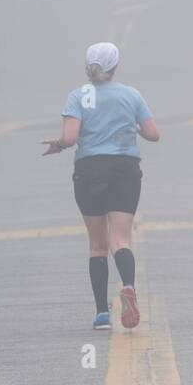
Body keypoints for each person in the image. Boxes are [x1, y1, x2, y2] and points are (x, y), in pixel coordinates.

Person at [42, 42, 159, 330]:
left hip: (89, 170)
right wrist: (134, 127)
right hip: (124, 169)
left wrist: (57, 144)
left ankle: (102, 314)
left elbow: (70, 138)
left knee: (97, 245)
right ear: (115, 66)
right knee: (121, 239)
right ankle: (129, 286)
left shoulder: (78, 96)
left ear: (88, 66)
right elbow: (153, 134)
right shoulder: (131, 95)